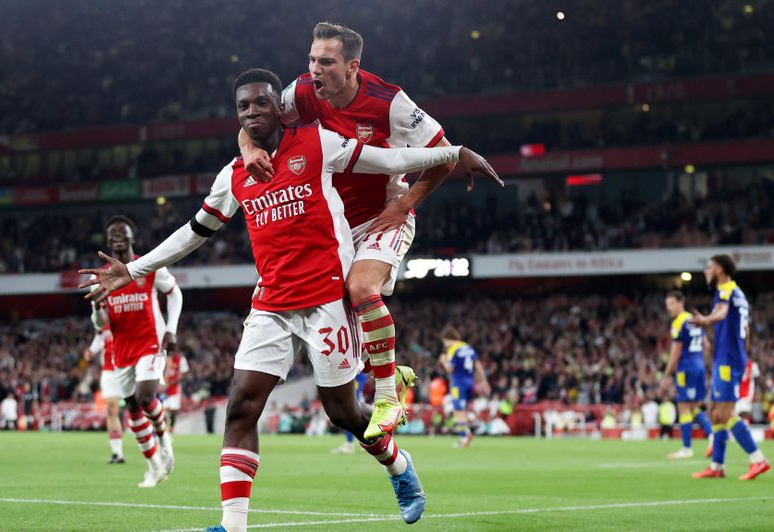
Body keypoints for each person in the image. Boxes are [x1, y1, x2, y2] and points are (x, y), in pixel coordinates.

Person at [80, 68, 472, 530]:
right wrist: (134, 269)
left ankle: (398, 465)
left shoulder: (317, 144)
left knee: (344, 412)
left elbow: (388, 160)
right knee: (241, 406)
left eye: (261, 102)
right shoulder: (234, 175)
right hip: (270, 305)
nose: (252, 112)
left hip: (327, 298)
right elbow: (194, 231)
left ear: (278, 107)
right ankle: (233, 525)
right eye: (243, 106)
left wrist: (453, 153)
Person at [237, 22, 503, 440]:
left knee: (361, 288)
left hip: (384, 215)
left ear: (352, 66)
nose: (315, 69)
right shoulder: (302, 91)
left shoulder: (390, 103)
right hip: (336, 226)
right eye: (312, 59)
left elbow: (444, 156)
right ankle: (390, 372)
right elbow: (255, 118)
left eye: (326, 62)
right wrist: (249, 149)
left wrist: (403, 204)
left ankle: (387, 397)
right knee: (333, 308)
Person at [89, 215, 182, 487]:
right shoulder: (100, 277)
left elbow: (175, 293)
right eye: (113, 232)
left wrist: (171, 329)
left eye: (123, 230)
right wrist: (97, 309)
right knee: (131, 406)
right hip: (121, 349)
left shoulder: (149, 265)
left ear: (133, 236)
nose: (117, 234)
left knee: (144, 396)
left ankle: (164, 439)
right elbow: (100, 324)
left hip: (151, 342)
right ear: (108, 240)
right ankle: (153, 467)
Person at [691, 255, 769, 480]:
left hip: (728, 360)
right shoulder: (739, 294)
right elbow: (746, 331)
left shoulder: (725, 289)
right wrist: (741, 355)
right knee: (715, 412)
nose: (706, 270)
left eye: (709, 266)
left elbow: (722, 312)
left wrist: (706, 320)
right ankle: (717, 466)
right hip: (730, 357)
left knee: (725, 412)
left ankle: (758, 459)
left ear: (719, 269)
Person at [658, 291, 713, 459]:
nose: (669, 308)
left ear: (680, 302)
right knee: (694, 407)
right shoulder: (694, 319)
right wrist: (701, 364)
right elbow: (706, 345)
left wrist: (666, 375)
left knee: (683, 406)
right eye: (667, 305)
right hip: (699, 366)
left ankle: (687, 448)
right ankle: (713, 436)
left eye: (672, 304)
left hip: (686, 368)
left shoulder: (678, 323)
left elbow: (675, 353)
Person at [439, 326, 490, 448]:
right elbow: (478, 365)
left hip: (458, 384)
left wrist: (443, 361)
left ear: (447, 339)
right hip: (470, 383)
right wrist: (483, 381)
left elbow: (450, 368)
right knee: (463, 410)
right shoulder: (468, 347)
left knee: (458, 412)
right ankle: (466, 434)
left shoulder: (453, 349)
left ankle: (464, 438)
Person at [85, 322, 125, 463]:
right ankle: (117, 452)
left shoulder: (129, 317)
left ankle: (154, 442)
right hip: (109, 371)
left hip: (128, 368)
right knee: (111, 410)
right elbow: (98, 341)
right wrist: (90, 351)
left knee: (139, 407)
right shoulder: (104, 326)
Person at [163, 351, 190, 431]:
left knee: (174, 409)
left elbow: (185, 374)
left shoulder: (180, 359)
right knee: (163, 409)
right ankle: (164, 428)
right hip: (162, 389)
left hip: (174, 388)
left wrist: (174, 381)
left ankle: (171, 428)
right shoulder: (162, 358)